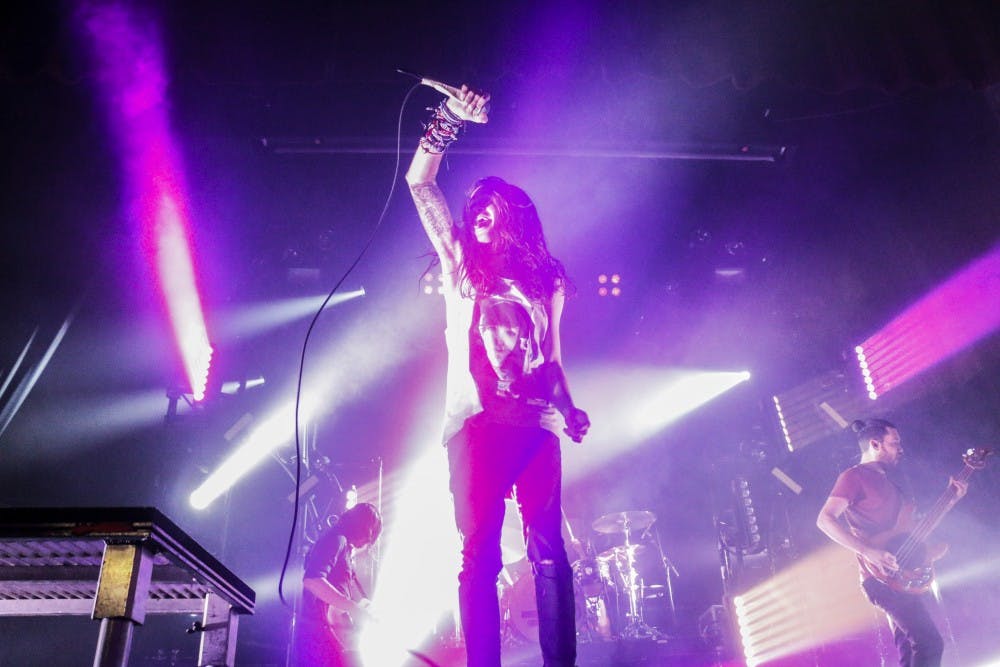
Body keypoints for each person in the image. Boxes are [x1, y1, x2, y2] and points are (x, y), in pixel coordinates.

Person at [405, 85, 590, 667]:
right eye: (475, 206)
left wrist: (571, 406)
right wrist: (447, 121)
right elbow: (420, 183)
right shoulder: (462, 265)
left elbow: (553, 359)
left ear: (512, 216)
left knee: (550, 554)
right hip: (476, 426)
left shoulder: (546, 282)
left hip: (536, 426)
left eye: (491, 206)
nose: (479, 214)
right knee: (479, 557)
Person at [816, 419, 967, 667]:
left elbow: (915, 532)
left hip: (902, 574)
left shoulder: (892, 484)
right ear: (875, 444)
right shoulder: (854, 477)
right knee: (929, 643)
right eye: (894, 443)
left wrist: (951, 500)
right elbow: (825, 519)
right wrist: (867, 551)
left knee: (909, 648)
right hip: (881, 577)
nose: (900, 448)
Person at [296, 502, 383, 666]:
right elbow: (312, 580)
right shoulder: (337, 539)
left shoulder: (344, 545)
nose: (367, 542)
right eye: (368, 535)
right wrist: (353, 608)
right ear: (363, 529)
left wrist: (358, 607)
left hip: (328, 637)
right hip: (319, 639)